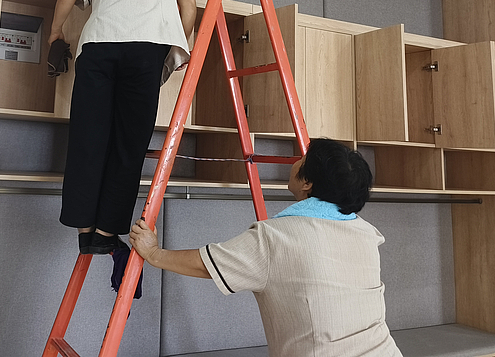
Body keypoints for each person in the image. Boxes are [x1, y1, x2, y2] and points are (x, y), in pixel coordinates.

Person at [129, 138, 403, 357]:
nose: (295, 161)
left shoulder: (277, 237)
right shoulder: (367, 234)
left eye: (302, 159)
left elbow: (208, 264)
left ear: (307, 182)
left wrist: (154, 254)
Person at [50, 0, 196, 255]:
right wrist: (177, 44)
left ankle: (85, 232)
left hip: (97, 48)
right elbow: (188, 6)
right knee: (128, 144)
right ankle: (104, 232)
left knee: (87, 140)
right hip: (145, 51)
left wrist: (56, 33)